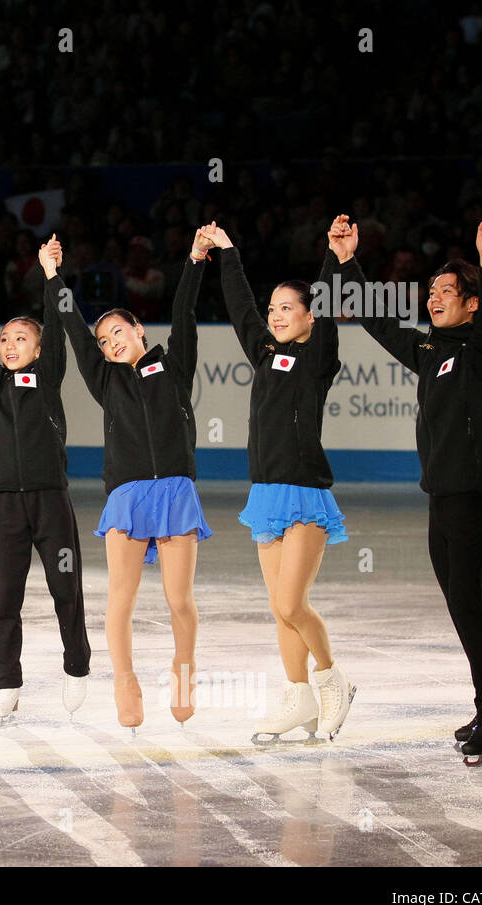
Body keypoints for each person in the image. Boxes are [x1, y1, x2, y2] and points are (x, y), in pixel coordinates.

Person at [334, 210, 482, 760]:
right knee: (464, 605)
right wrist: (347, 263)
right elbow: (379, 323)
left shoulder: (481, 354)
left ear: (472, 302)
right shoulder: (429, 350)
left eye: (447, 291)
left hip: (474, 494)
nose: (434, 298)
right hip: (441, 494)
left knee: (470, 606)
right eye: (431, 291)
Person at [205, 219, 355, 743]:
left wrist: (334, 259)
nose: (274, 315)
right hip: (265, 492)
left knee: (292, 603)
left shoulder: (318, 354)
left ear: (311, 316)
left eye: (287, 307)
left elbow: (329, 304)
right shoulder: (265, 351)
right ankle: (298, 700)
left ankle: (332, 678)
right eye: (273, 309)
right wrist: (227, 251)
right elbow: (240, 305)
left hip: (306, 491)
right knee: (278, 608)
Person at [59, 231, 212, 729]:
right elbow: (73, 330)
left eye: (117, 333)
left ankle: (183, 673)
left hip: (174, 491)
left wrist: (193, 260)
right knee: (119, 600)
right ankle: (126, 682)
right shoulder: (105, 380)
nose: (109, 343)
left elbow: (186, 312)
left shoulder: (174, 364)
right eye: (103, 341)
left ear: (138, 329)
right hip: (126, 494)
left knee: (178, 599)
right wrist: (51, 276)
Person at [0, 238, 91, 723]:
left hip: (51, 502)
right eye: (4, 339)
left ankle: (77, 664)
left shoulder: (48, 375)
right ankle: (6, 679)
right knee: (4, 598)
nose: (9, 346)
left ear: (40, 348)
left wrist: (51, 275)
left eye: (21, 338)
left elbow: (61, 323)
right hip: (5, 506)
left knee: (65, 589)